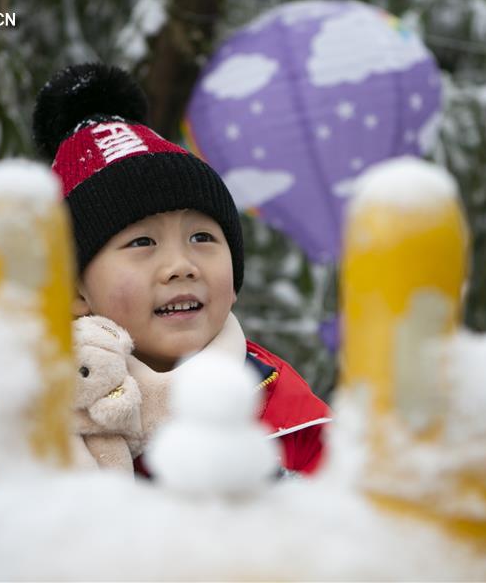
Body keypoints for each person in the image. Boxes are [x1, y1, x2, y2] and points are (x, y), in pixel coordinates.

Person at [32, 63, 330, 476]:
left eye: (202, 238)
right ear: (76, 292)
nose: (180, 266)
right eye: (142, 243)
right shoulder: (44, 417)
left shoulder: (286, 411)